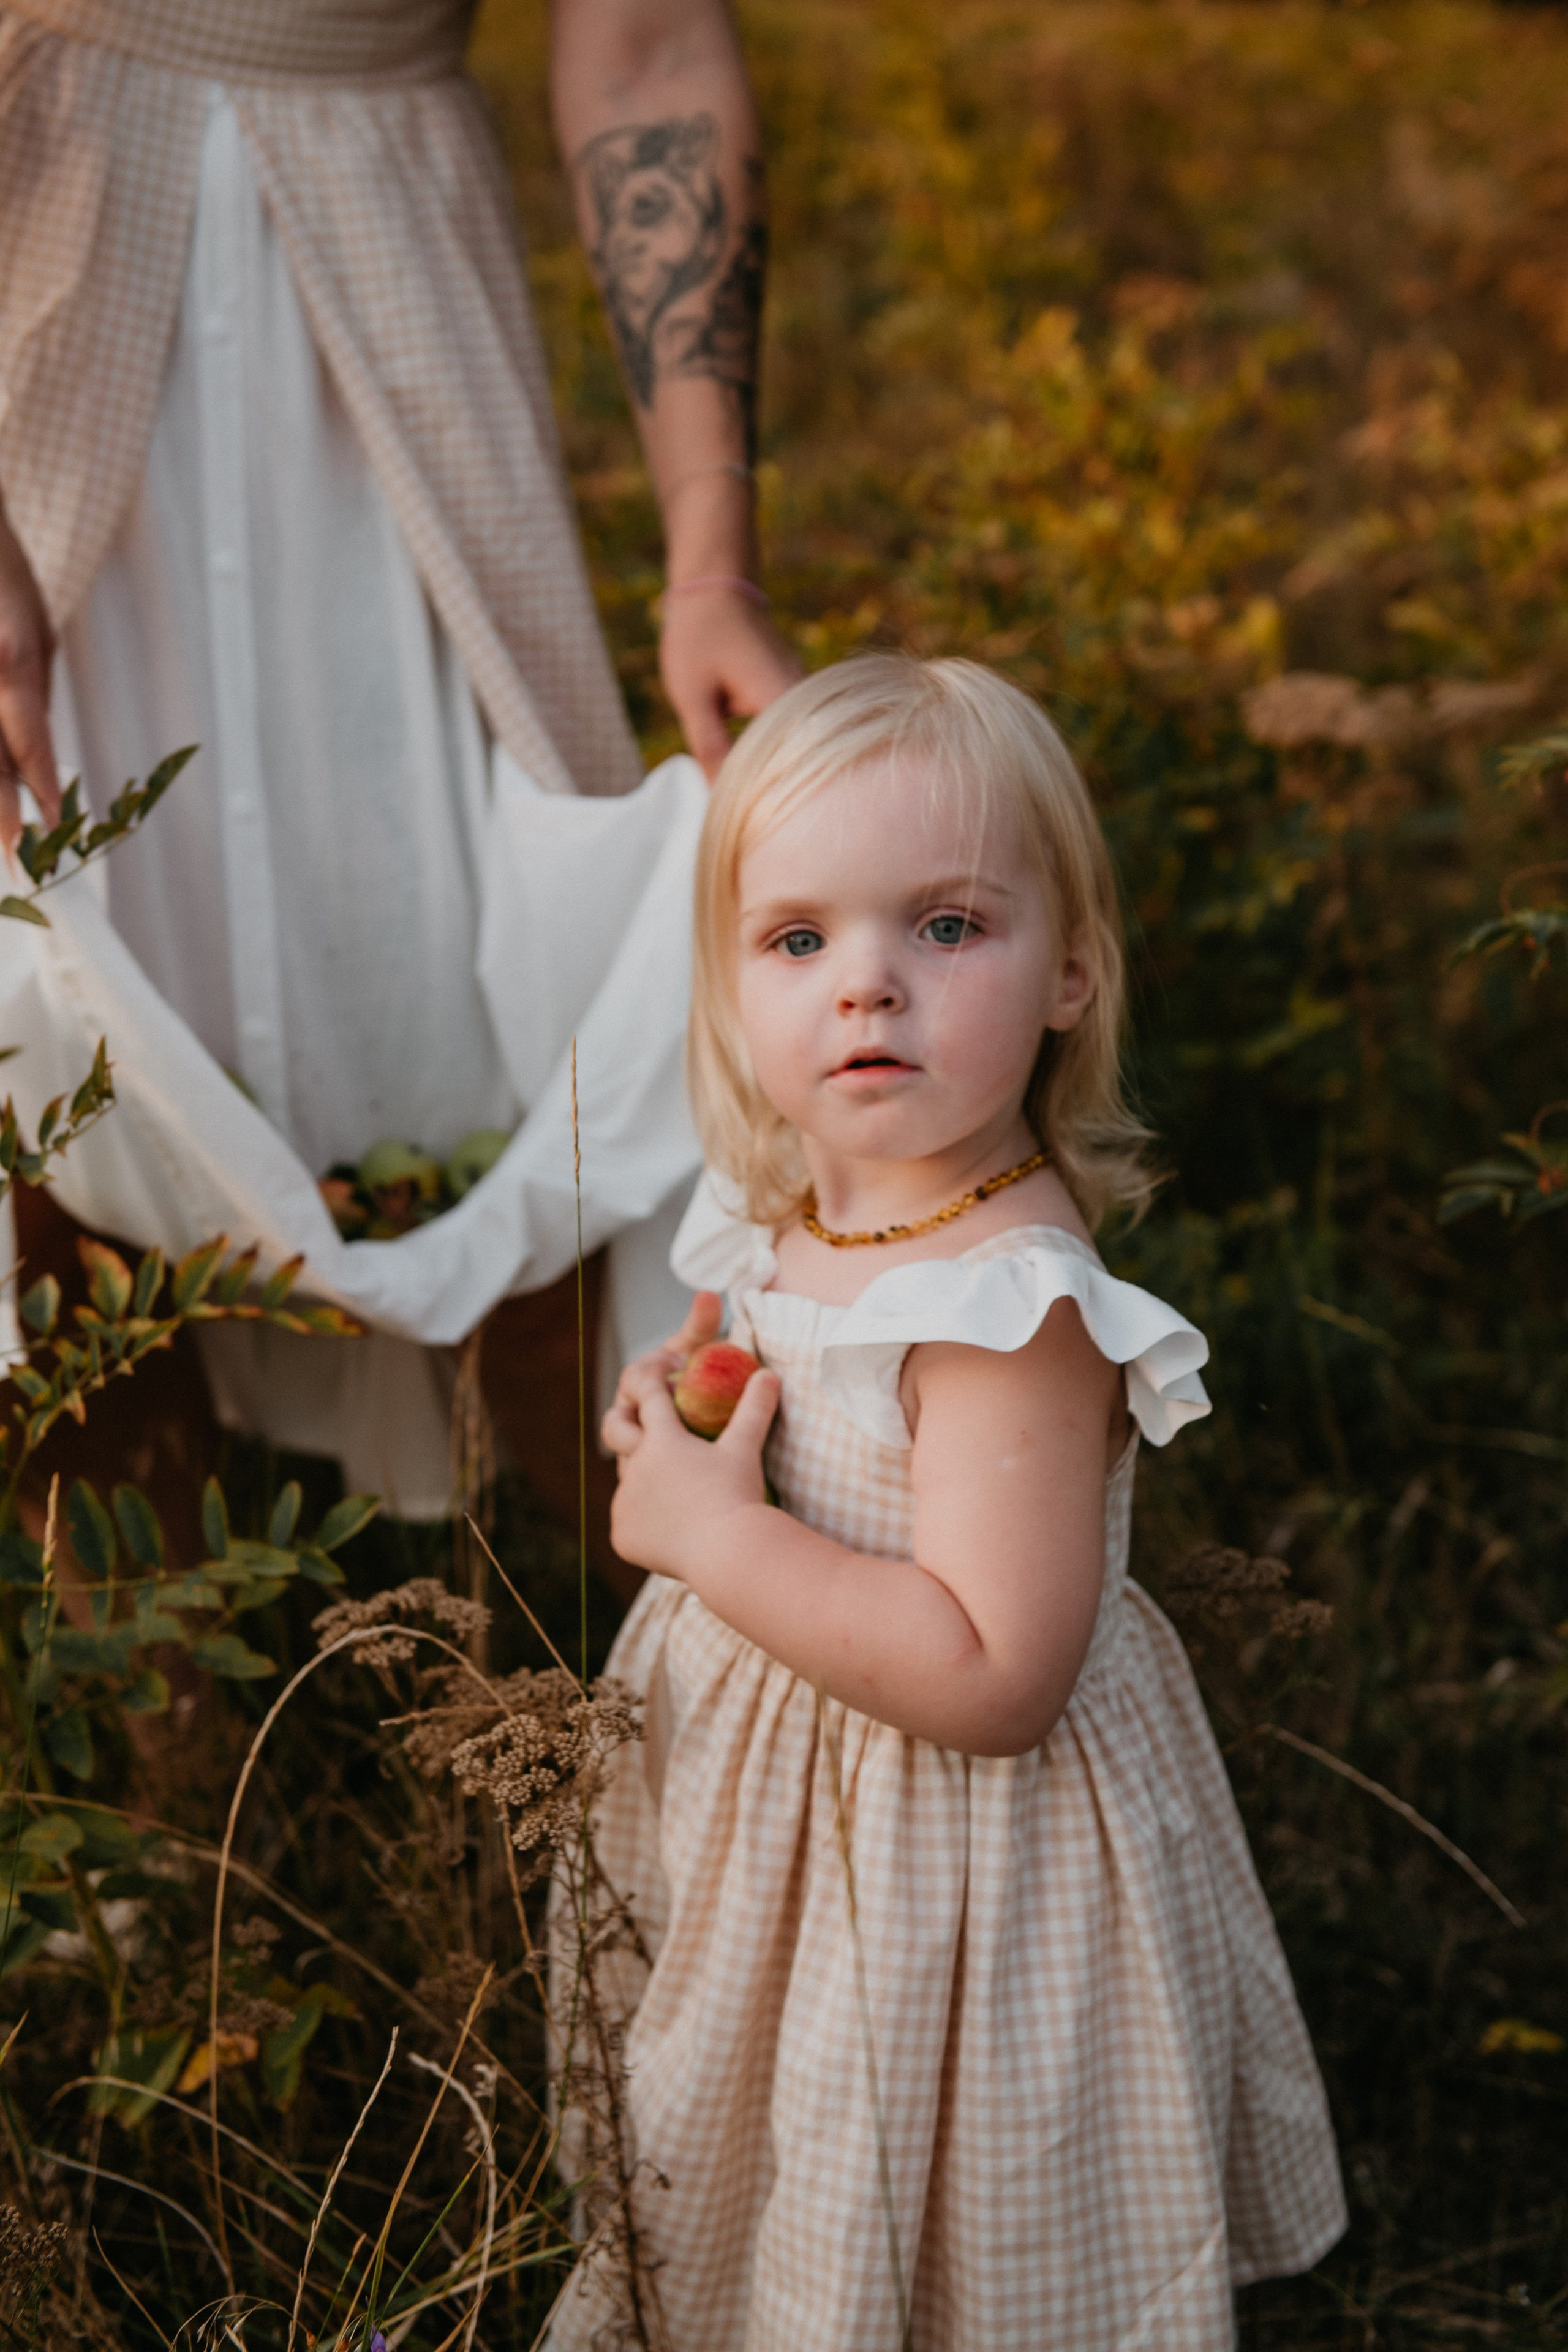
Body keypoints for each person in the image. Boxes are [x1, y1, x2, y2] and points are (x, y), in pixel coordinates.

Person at [554, 657, 1346, 2347]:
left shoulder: (1011, 1308)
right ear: (731, 984)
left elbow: (995, 1677)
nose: (867, 991)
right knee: (768, 2146)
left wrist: (710, 1535)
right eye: (799, 942)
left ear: (1071, 972)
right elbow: (734, 1365)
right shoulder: (799, 1198)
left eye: (947, 929)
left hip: (950, 1871)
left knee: (936, 2201)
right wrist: (682, 1418)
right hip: (791, 1804)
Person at [0, 0, 798, 1562]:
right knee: (41, 1019)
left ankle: (607, 1668)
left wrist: (712, 552)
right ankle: (155, 1736)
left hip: (403, 317)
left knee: (529, 1051)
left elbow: (642, 44)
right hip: (46, 280)